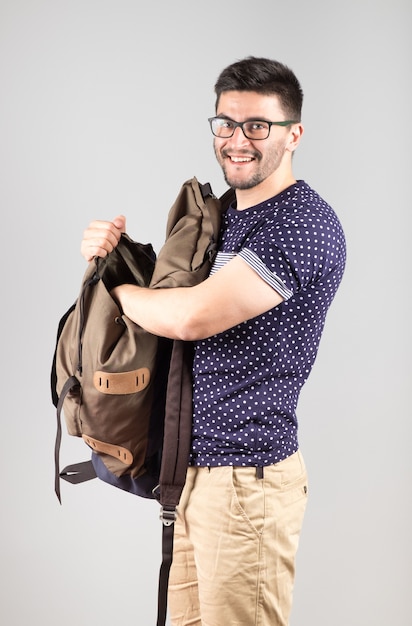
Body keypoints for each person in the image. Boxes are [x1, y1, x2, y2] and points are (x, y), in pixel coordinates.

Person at [81, 57, 346, 626]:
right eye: (225, 124)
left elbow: (193, 316)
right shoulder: (221, 216)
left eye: (257, 126)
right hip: (194, 474)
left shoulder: (301, 224)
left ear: (293, 134)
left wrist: (116, 291)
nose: (236, 140)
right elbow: (170, 292)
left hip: (248, 483)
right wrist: (112, 253)